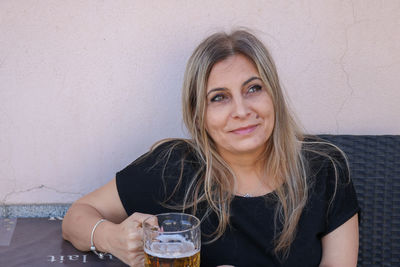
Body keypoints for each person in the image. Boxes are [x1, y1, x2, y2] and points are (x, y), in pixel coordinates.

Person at [62, 29, 360, 267]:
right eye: (219, 97)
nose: (242, 110)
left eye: (253, 88)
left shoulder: (324, 168)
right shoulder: (173, 169)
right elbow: (77, 217)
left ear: (274, 96)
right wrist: (112, 237)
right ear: (198, 115)